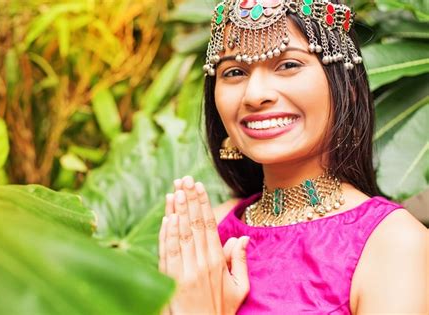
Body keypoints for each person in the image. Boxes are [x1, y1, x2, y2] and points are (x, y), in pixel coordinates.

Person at [158, 0, 428, 314]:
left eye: (288, 65)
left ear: (347, 89)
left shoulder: (395, 245)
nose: (255, 94)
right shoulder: (206, 231)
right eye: (234, 71)